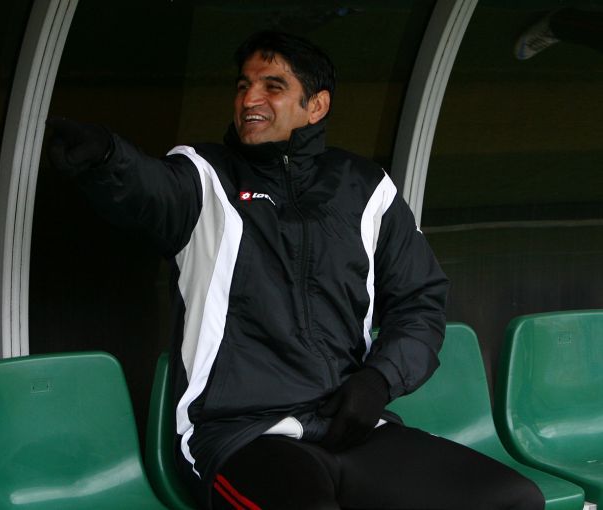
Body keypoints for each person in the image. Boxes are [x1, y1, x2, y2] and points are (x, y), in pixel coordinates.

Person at [47, 31, 545, 510]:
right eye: (243, 85)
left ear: (316, 105)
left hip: (350, 428)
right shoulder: (203, 177)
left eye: (273, 86)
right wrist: (106, 156)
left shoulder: (365, 188)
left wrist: (378, 381)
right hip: (240, 436)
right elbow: (146, 187)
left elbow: (420, 302)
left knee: (513, 500)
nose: (250, 99)